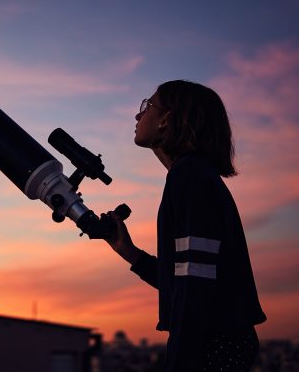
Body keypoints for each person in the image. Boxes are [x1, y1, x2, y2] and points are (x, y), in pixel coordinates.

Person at [106, 80, 266, 372]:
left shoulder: (189, 177)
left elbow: (195, 287)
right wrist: (129, 252)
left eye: (147, 106)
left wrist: (179, 363)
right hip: (218, 340)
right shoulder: (191, 176)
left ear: (167, 118)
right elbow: (182, 280)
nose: (138, 116)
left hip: (213, 344)